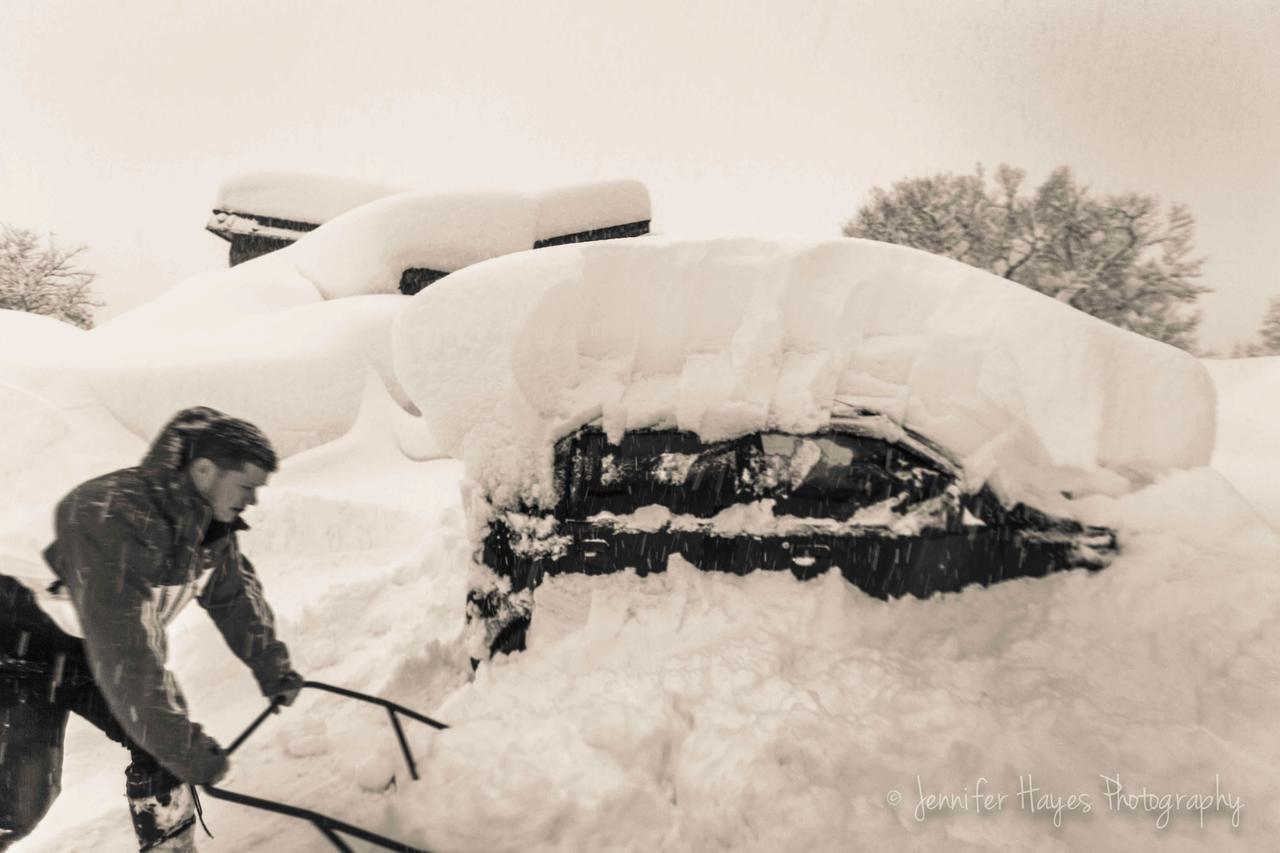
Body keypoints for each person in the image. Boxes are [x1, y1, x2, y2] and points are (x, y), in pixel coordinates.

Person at [0, 406, 303, 852]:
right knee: (20, 802)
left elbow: (235, 600)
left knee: (160, 751)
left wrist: (272, 668)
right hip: (18, 646)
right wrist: (181, 747)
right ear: (204, 470)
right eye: (247, 486)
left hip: (89, 648)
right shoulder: (110, 515)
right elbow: (126, 653)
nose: (254, 500)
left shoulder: (209, 529)